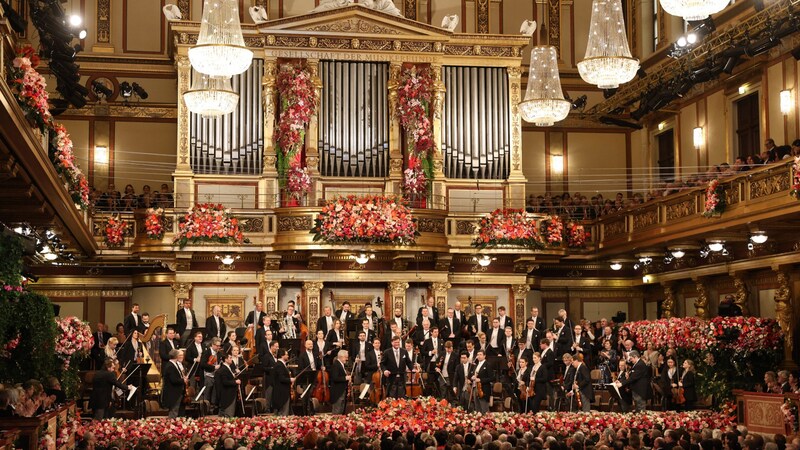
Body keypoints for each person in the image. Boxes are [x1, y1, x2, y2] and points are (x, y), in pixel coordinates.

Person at [162, 349, 188, 418]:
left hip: (178, 392)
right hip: (173, 393)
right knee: (174, 411)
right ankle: (171, 425)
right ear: (176, 356)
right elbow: (173, 380)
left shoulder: (174, 364)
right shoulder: (170, 366)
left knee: (176, 411)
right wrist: (183, 380)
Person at [214, 351, 240, 418]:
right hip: (227, 396)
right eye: (230, 358)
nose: (231, 359)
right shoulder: (223, 369)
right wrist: (235, 382)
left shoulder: (227, 368)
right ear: (225, 359)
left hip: (229, 394)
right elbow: (225, 382)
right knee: (228, 415)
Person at [200, 337, 221, 404]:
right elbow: (202, 364)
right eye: (217, 346)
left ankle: (213, 408)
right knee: (207, 393)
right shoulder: (206, 352)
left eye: (219, 346)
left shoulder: (219, 353)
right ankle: (206, 409)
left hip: (216, 376)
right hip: (208, 375)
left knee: (214, 395)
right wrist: (213, 367)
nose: (218, 347)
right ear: (212, 345)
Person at [272, 348, 294, 416]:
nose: (288, 356)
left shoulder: (282, 364)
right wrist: (290, 380)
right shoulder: (279, 365)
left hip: (284, 392)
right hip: (281, 394)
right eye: (286, 355)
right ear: (282, 355)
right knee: (283, 414)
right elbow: (281, 378)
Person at [330, 349, 351, 414]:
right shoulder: (336, 365)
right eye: (346, 357)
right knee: (337, 411)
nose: (347, 359)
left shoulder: (341, 364)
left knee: (341, 411)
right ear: (341, 357)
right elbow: (335, 378)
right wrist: (345, 378)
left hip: (342, 391)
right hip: (338, 392)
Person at [261, 340, 279, 411]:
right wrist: (272, 368)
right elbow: (264, 367)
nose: (277, 348)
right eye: (276, 347)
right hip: (269, 380)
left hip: (276, 379)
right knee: (269, 396)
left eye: (278, 346)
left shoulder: (277, 356)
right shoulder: (267, 356)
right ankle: (267, 410)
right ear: (271, 347)